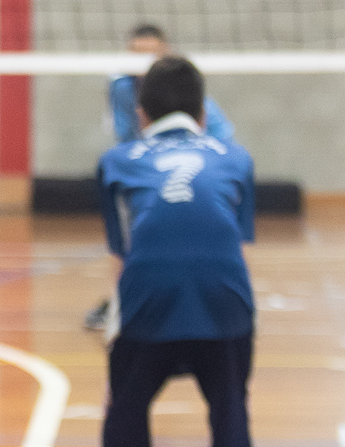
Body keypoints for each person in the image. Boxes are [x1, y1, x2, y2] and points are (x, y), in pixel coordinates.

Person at [75, 55, 273, 447]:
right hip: (225, 305)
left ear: (140, 113)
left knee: (124, 426)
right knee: (231, 424)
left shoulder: (117, 161)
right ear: (204, 111)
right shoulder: (236, 158)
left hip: (148, 306)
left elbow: (124, 253)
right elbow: (239, 244)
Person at [85, 25, 234, 332]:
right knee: (131, 236)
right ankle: (120, 299)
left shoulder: (188, 92)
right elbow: (127, 137)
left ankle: (215, 300)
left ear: (164, 54)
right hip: (150, 167)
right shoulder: (121, 86)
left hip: (198, 168)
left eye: (150, 53)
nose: (142, 60)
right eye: (136, 53)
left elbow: (223, 143)